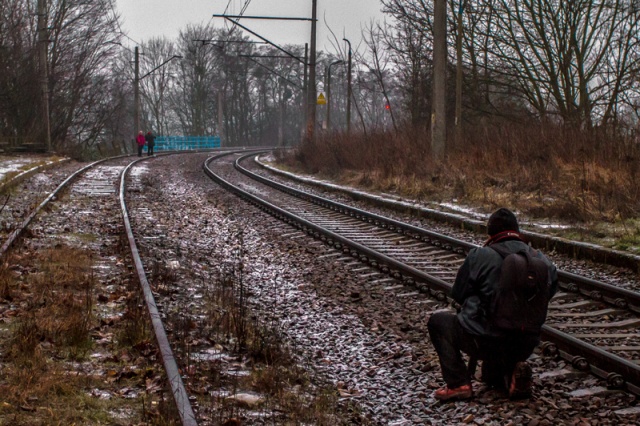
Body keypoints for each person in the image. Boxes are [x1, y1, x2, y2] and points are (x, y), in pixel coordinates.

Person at [427, 208, 558, 402]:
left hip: (484, 341)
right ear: (517, 231)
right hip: (525, 343)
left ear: (491, 234)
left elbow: (458, 294)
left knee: (438, 322)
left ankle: (458, 383)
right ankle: (512, 375)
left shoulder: (479, 255)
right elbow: (548, 294)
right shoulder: (543, 261)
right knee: (490, 378)